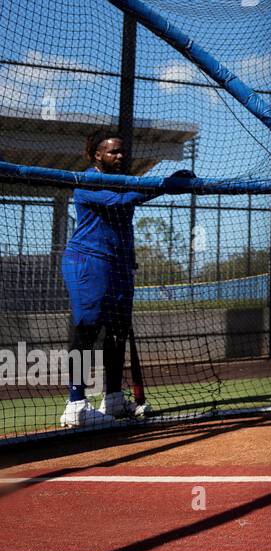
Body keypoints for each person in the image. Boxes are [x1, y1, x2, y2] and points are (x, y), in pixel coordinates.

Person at [59, 129, 192, 428]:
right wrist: (166, 184)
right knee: (87, 330)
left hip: (119, 266)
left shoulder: (123, 181)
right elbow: (120, 204)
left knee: (118, 331)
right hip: (87, 262)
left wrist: (129, 261)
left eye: (122, 151)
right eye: (113, 152)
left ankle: (114, 400)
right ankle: (76, 403)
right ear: (97, 155)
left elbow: (126, 214)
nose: (120, 156)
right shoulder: (87, 181)